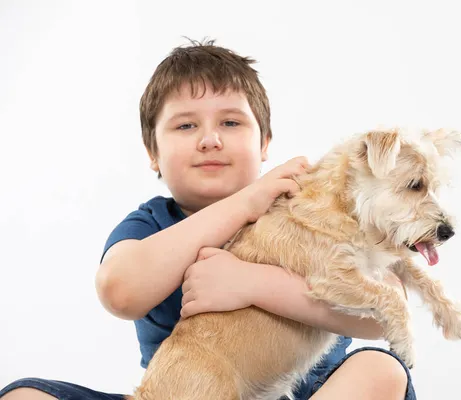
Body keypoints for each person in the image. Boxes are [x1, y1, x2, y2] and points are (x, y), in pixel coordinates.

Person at [0, 39, 416, 400]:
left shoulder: (311, 208)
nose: (210, 139)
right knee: (25, 395)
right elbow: (120, 291)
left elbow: (383, 313)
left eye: (231, 122)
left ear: (265, 142)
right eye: (185, 125)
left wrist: (253, 285)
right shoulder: (151, 225)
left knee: (380, 371)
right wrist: (244, 204)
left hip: (310, 393)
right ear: (152, 154)